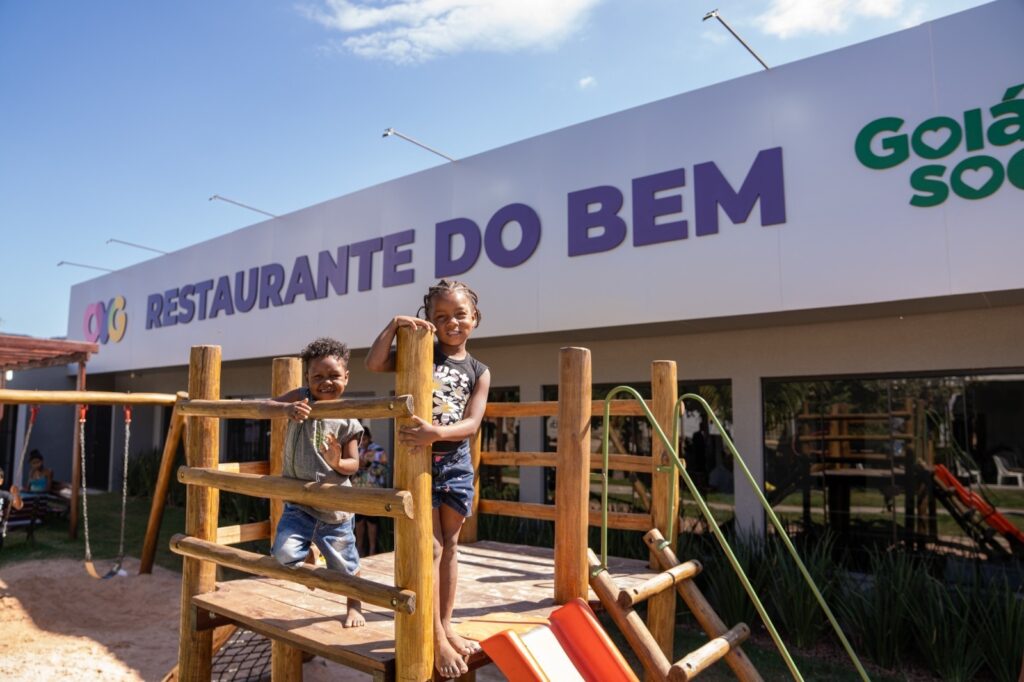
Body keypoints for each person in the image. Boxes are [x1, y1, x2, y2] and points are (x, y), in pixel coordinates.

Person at [366, 278, 490, 680]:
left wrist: (436, 433)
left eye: (460, 314)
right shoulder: (420, 352)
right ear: (430, 321)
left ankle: (447, 625)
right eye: (441, 316)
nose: (452, 322)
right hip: (419, 463)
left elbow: (472, 423)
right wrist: (393, 325)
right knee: (431, 548)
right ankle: (435, 636)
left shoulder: (479, 371)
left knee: (450, 545)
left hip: (455, 464)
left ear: (475, 318)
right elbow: (374, 363)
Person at [260, 337, 365, 628]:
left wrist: (336, 462)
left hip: (334, 510)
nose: (326, 382)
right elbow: (265, 406)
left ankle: (354, 606)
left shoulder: (348, 418)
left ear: (346, 377)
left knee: (346, 566)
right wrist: (286, 410)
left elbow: (353, 465)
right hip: (299, 504)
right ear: (307, 378)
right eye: (317, 376)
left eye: (334, 376)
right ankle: (308, 552)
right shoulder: (301, 398)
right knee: (283, 554)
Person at [353, 428, 389, 556]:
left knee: (372, 520)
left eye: (364, 439)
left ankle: (372, 550)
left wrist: (368, 464)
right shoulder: (356, 450)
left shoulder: (378, 449)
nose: (362, 442)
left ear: (369, 438)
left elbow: (383, 467)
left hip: (373, 491)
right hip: (358, 491)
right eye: (360, 439)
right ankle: (360, 549)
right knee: (359, 520)